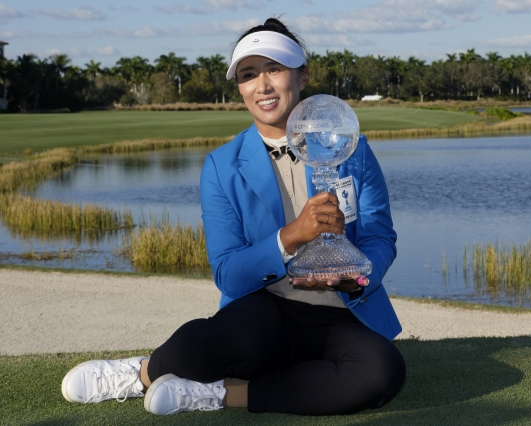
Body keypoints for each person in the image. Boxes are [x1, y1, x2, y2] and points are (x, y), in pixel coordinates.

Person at [61, 17, 405, 416]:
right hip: (266, 309)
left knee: (382, 373)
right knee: (207, 343)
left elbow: (380, 239)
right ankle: (141, 373)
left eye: (274, 69)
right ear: (239, 87)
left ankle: (214, 395)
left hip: (343, 312)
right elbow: (228, 271)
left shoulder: (352, 149)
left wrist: (357, 276)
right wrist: (289, 237)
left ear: (302, 74)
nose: (262, 85)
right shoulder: (222, 166)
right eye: (248, 74)